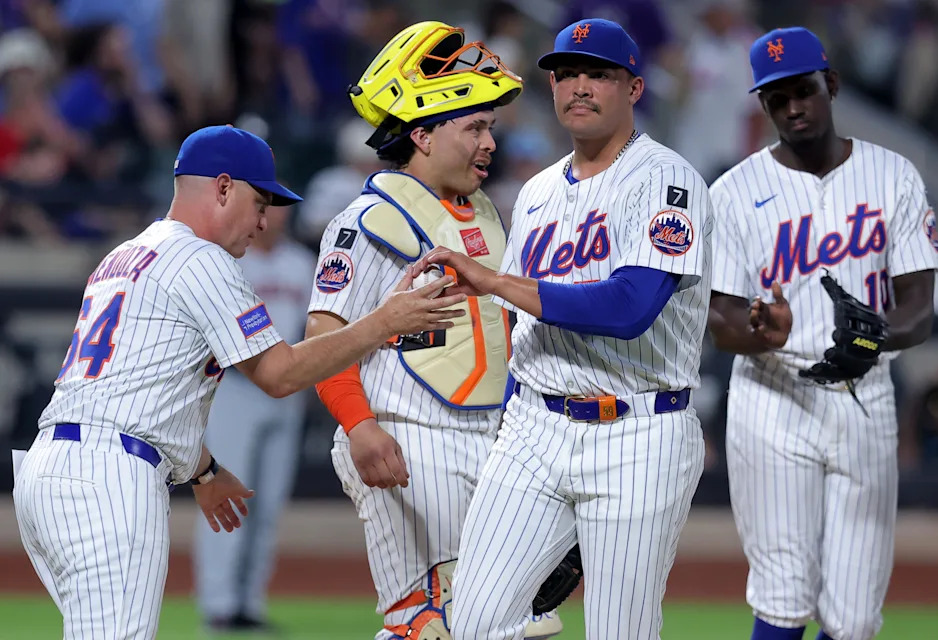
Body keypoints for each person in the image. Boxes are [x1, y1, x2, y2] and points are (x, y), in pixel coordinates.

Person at [12, 124, 465, 640]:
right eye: (260, 201)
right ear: (224, 188)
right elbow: (278, 373)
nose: (264, 219)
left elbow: (134, 389)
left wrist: (204, 472)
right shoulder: (201, 257)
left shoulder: (128, 253)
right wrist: (384, 321)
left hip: (50, 469)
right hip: (106, 478)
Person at [420, 18, 715, 640]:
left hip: (639, 431)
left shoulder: (667, 180)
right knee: (473, 623)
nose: (578, 86)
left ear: (633, 89)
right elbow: (522, 317)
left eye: (597, 74)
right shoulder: (535, 192)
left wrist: (495, 281)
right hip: (534, 428)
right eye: (566, 74)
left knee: (619, 632)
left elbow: (629, 309)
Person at [305, 21, 561, 640]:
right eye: (473, 127)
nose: (489, 143)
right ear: (421, 134)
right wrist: (360, 427)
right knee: (427, 623)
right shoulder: (369, 219)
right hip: (408, 438)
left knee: (506, 626)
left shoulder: (489, 213)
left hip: (491, 440)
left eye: (490, 128)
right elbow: (321, 337)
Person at [707, 27, 938, 640]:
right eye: (777, 97)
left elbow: (919, 308)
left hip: (866, 401)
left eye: (804, 91)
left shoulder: (893, 175)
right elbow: (720, 318)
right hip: (773, 400)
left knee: (856, 617)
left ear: (831, 85)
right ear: (763, 105)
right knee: (784, 596)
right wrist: (761, 332)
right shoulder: (733, 193)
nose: (793, 107)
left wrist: (876, 336)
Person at [192, 203, 316, 632]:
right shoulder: (228, 263)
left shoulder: (303, 264)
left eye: (281, 210)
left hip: (287, 390)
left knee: (267, 503)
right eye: (268, 208)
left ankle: (249, 602)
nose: (275, 217)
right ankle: (219, 603)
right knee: (227, 498)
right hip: (234, 390)